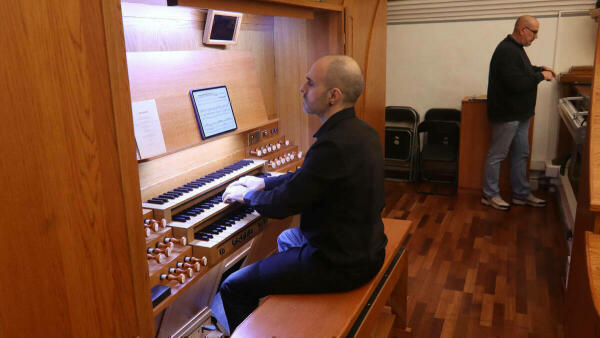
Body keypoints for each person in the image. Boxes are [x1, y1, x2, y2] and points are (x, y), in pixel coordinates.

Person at [213, 55, 388, 333]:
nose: (301, 88)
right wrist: (264, 183)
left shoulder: (332, 145)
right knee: (286, 237)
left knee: (233, 286)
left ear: (333, 95)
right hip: (367, 247)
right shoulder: (362, 132)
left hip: (340, 264)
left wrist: (246, 197)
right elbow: (309, 179)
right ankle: (285, 319)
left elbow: (284, 204)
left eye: (310, 82)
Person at [481, 15, 555, 211]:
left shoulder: (516, 49)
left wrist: (539, 68)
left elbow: (522, 71)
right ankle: (489, 195)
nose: (536, 37)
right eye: (534, 32)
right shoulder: (506, 50)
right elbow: (516, 84)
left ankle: (521, 195)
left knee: (521, 154)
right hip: (507, 114)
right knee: (497, 155)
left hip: (520, 114)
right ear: (522, 30)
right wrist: (541, 76)